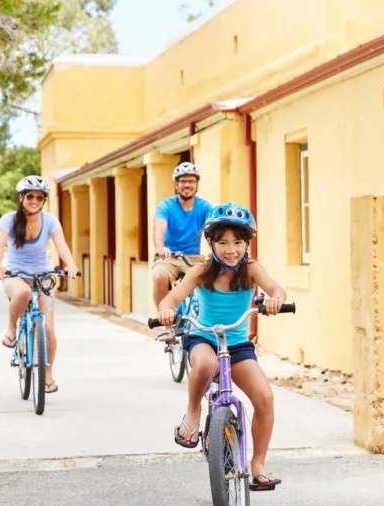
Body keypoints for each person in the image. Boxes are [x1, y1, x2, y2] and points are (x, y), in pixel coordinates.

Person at [158, 202, 286, 489]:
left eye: (238, 242)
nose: (231, 249)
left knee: (264, 399)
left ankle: (258, 464)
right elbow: (172, 298)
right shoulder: (202, 271)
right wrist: (166, 310)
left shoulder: (251, 269)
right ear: (211, 243)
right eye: (223, 242)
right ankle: (192, 412)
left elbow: (276, 288)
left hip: (237, 343)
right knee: (206, 363)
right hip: (204, 336)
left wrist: (275, 299)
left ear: (247, 243)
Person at [0, 175, 78, 395]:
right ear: (21, 197)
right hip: (15, 275)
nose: (34, 200)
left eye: (39, 197)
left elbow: (61, 245)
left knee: (48, 329)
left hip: (43, 275)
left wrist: (69, 264)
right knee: (22, 293)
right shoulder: (8, 220)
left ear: (44, 200)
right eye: (30, 196)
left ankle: (48, 375)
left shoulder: (50, 221)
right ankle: (12, 329)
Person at [152, 161, 214, 308]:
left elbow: (214, 228)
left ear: (197, 184)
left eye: (191, 181)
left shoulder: (204, 207)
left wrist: (216, 249)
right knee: (159, 276)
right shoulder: (166, 206)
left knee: (212, 279)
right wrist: (160, 247)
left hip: (194, 258)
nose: (187, 185)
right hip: (169, 257)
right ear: (176, 184)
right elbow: (159, 228)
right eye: (183, 181)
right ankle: (166, 321)